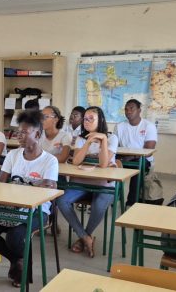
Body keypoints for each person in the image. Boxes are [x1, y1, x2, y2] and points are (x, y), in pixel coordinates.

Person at [0, 110, 58, 288]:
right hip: (13, 208)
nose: (18, 136)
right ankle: (17, 260)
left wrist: (24, 189)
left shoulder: (50, 161)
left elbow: (48, 189)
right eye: (18, 132)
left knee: (15, 236)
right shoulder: (13, 155)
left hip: (38, 210)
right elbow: (1, 182)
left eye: (24, 132)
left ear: (37, 134)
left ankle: (22, 269)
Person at [58, 106, 119, 258]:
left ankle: (84, 236)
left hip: (104, 185)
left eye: (91, 119)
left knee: (99, 205)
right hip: (81, 183)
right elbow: (76, 161)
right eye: (85, 119)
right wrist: (88, 141)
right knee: (62, 200)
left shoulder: (111, 138)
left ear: (101, 120)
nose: (87, 121)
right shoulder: (80, 138)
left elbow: (103, 164)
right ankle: (85, 237)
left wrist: (103, 140)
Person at [115, 99, 157, 206]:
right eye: (126, 109)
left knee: (138, 168)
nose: (128, 111)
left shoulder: (148, 126)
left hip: (143, 160)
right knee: (110, 165)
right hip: (124, 158)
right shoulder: (119, 126)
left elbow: (148, 151)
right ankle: (112, 197)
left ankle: (131, 203)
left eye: (131, 108)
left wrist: (130, 156)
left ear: (139, 110)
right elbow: (114, 146)